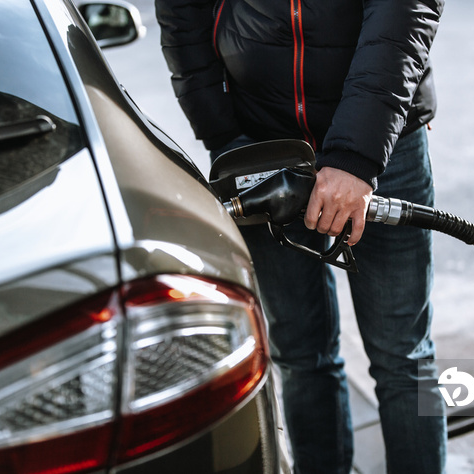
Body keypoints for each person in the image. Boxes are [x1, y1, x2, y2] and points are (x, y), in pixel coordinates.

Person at [155, 0, 447, 472]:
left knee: (406, 359)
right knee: (300, 357)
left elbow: (403, 10)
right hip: (262, 143)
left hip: (383, 147)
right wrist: (224, 137)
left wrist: (356, 156)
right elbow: (181, 12)